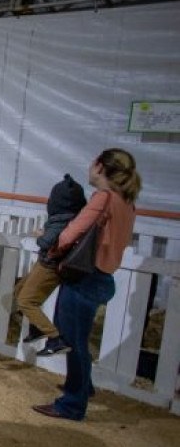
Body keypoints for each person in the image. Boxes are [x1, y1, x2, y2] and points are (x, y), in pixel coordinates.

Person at [32, 149, 139, 421]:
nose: (90, 168)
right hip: (102, 275)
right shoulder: (127, 202)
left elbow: (72, 232)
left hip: (84, 275)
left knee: (73, 341)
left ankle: (72, 404)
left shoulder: (103, 198)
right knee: (79, 338)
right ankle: (82, 387)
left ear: (100, 167)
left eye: (93, 164)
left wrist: (49, 241)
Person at [14, 174, 87, 356]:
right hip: (47, 262)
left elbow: (46, 242)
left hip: (50, 265)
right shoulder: (74, 218)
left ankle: (55, 338)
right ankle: (37, 328)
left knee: (26, 301)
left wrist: (41, 234)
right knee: (19, 290)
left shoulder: (60, 220)